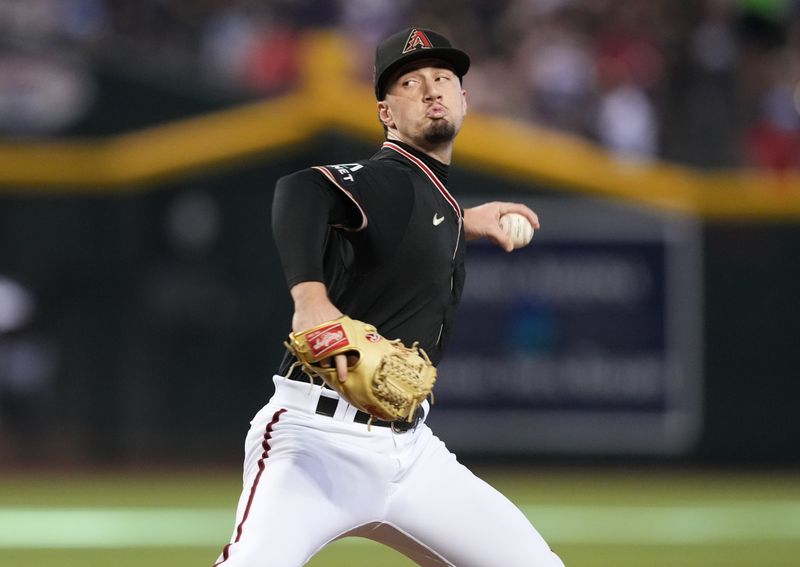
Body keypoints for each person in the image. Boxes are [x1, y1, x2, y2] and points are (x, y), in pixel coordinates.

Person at [214, 27, 565, 567]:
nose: (432, 90)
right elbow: (300, 190)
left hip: (411, 454)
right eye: (410, 83)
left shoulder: (432, 196)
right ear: (385, 113)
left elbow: (408, 229)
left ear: (465, 100)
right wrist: (310, 299)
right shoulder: (393, 178)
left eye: (444, 78)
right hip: (316, 444)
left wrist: (462, 221)